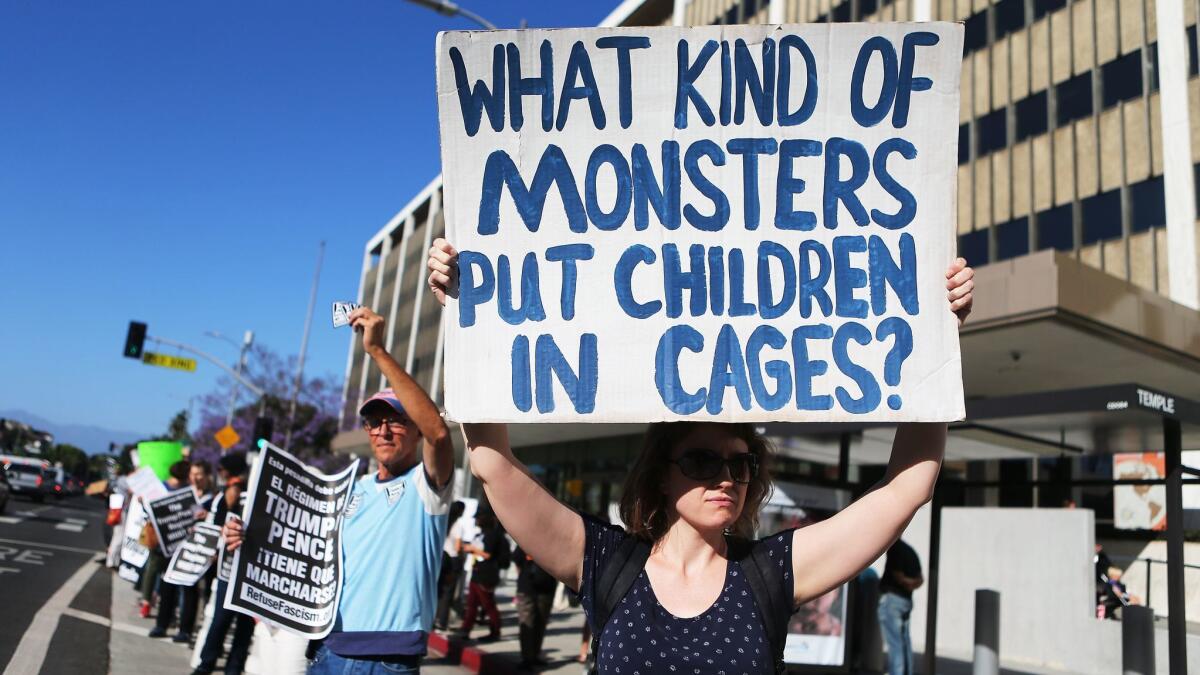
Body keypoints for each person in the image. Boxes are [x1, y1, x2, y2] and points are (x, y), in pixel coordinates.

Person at [426, 238, 974, 675]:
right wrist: (466, 313)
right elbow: (492, 462)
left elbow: (907, 487)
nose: (727, 479)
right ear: (661, 476)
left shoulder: (770, 572)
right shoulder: (606, 563)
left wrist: (939, 335)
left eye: (741, 465)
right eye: (703, 462)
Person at [225, 306, 454, 675]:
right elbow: (299, 548)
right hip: (326, 649)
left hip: (386, 660)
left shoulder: (427, 488)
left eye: (396, 420)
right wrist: (246, 537)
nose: (383, 430)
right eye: (374, 422)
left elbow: (439, 434)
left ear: (414, 429)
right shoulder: (348, 490)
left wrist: (377, 351)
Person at [192, 456, 255, 675]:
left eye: (222, 468)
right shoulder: (227, 492)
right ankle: (220, 664)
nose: (220, 471)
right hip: (233, 567)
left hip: (241, 568)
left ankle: (216, 664)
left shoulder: (244, 490)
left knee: (233, 620)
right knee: (229, 620)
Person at [149, 460, 217, 642]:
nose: (195, 478)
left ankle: (185, 630)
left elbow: (218, 523)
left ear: (206, 476)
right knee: (167, 584)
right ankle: (161, 624)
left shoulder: (213, 498)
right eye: (192, 474)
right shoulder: (182, 493)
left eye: (199, 474)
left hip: (196, 551)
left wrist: (207, 517)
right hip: (174, 547)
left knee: (189, 589)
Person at [140, 460, 191, 619]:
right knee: (158, 569)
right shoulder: (183, 490)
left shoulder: (166, 488)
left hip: (170, 536)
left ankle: (148, 601)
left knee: (153, 570)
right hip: (167, 536)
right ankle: (152, 601)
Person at [457, 507, 509, 641]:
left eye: (479, 518)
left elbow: (487, 555)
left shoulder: (493, 535)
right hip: (477, 572)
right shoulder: (481, 534)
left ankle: (495, 631)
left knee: (488, 604)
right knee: (472, 604)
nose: (477, 520)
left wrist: (472, 549)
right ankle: (465, 629)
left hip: (486, 575)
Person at [878, 538, 923, 675]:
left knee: (895, 644)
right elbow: (920, 580)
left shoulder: (895, 548)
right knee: (904, 642)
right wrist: (911, 584)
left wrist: (906, 582)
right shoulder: (910, 551)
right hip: (906, 601)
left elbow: (898, 575)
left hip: (892, 600)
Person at [513, 545, 558, 670]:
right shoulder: (527, 537)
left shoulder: (554, 541)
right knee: (527, 623)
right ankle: (527, 658)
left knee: (540, 623)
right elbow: (517, 559)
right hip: (527, 587)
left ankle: (534, 655)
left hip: (546, 588)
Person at [435, 501, 468, 631]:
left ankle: (433, 618)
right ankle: (442, 621)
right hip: (453, 560)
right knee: (448, 592)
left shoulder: (444, 521)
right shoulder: (458, 526)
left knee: (438, 589)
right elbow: (458, 546)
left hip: (441, 557)